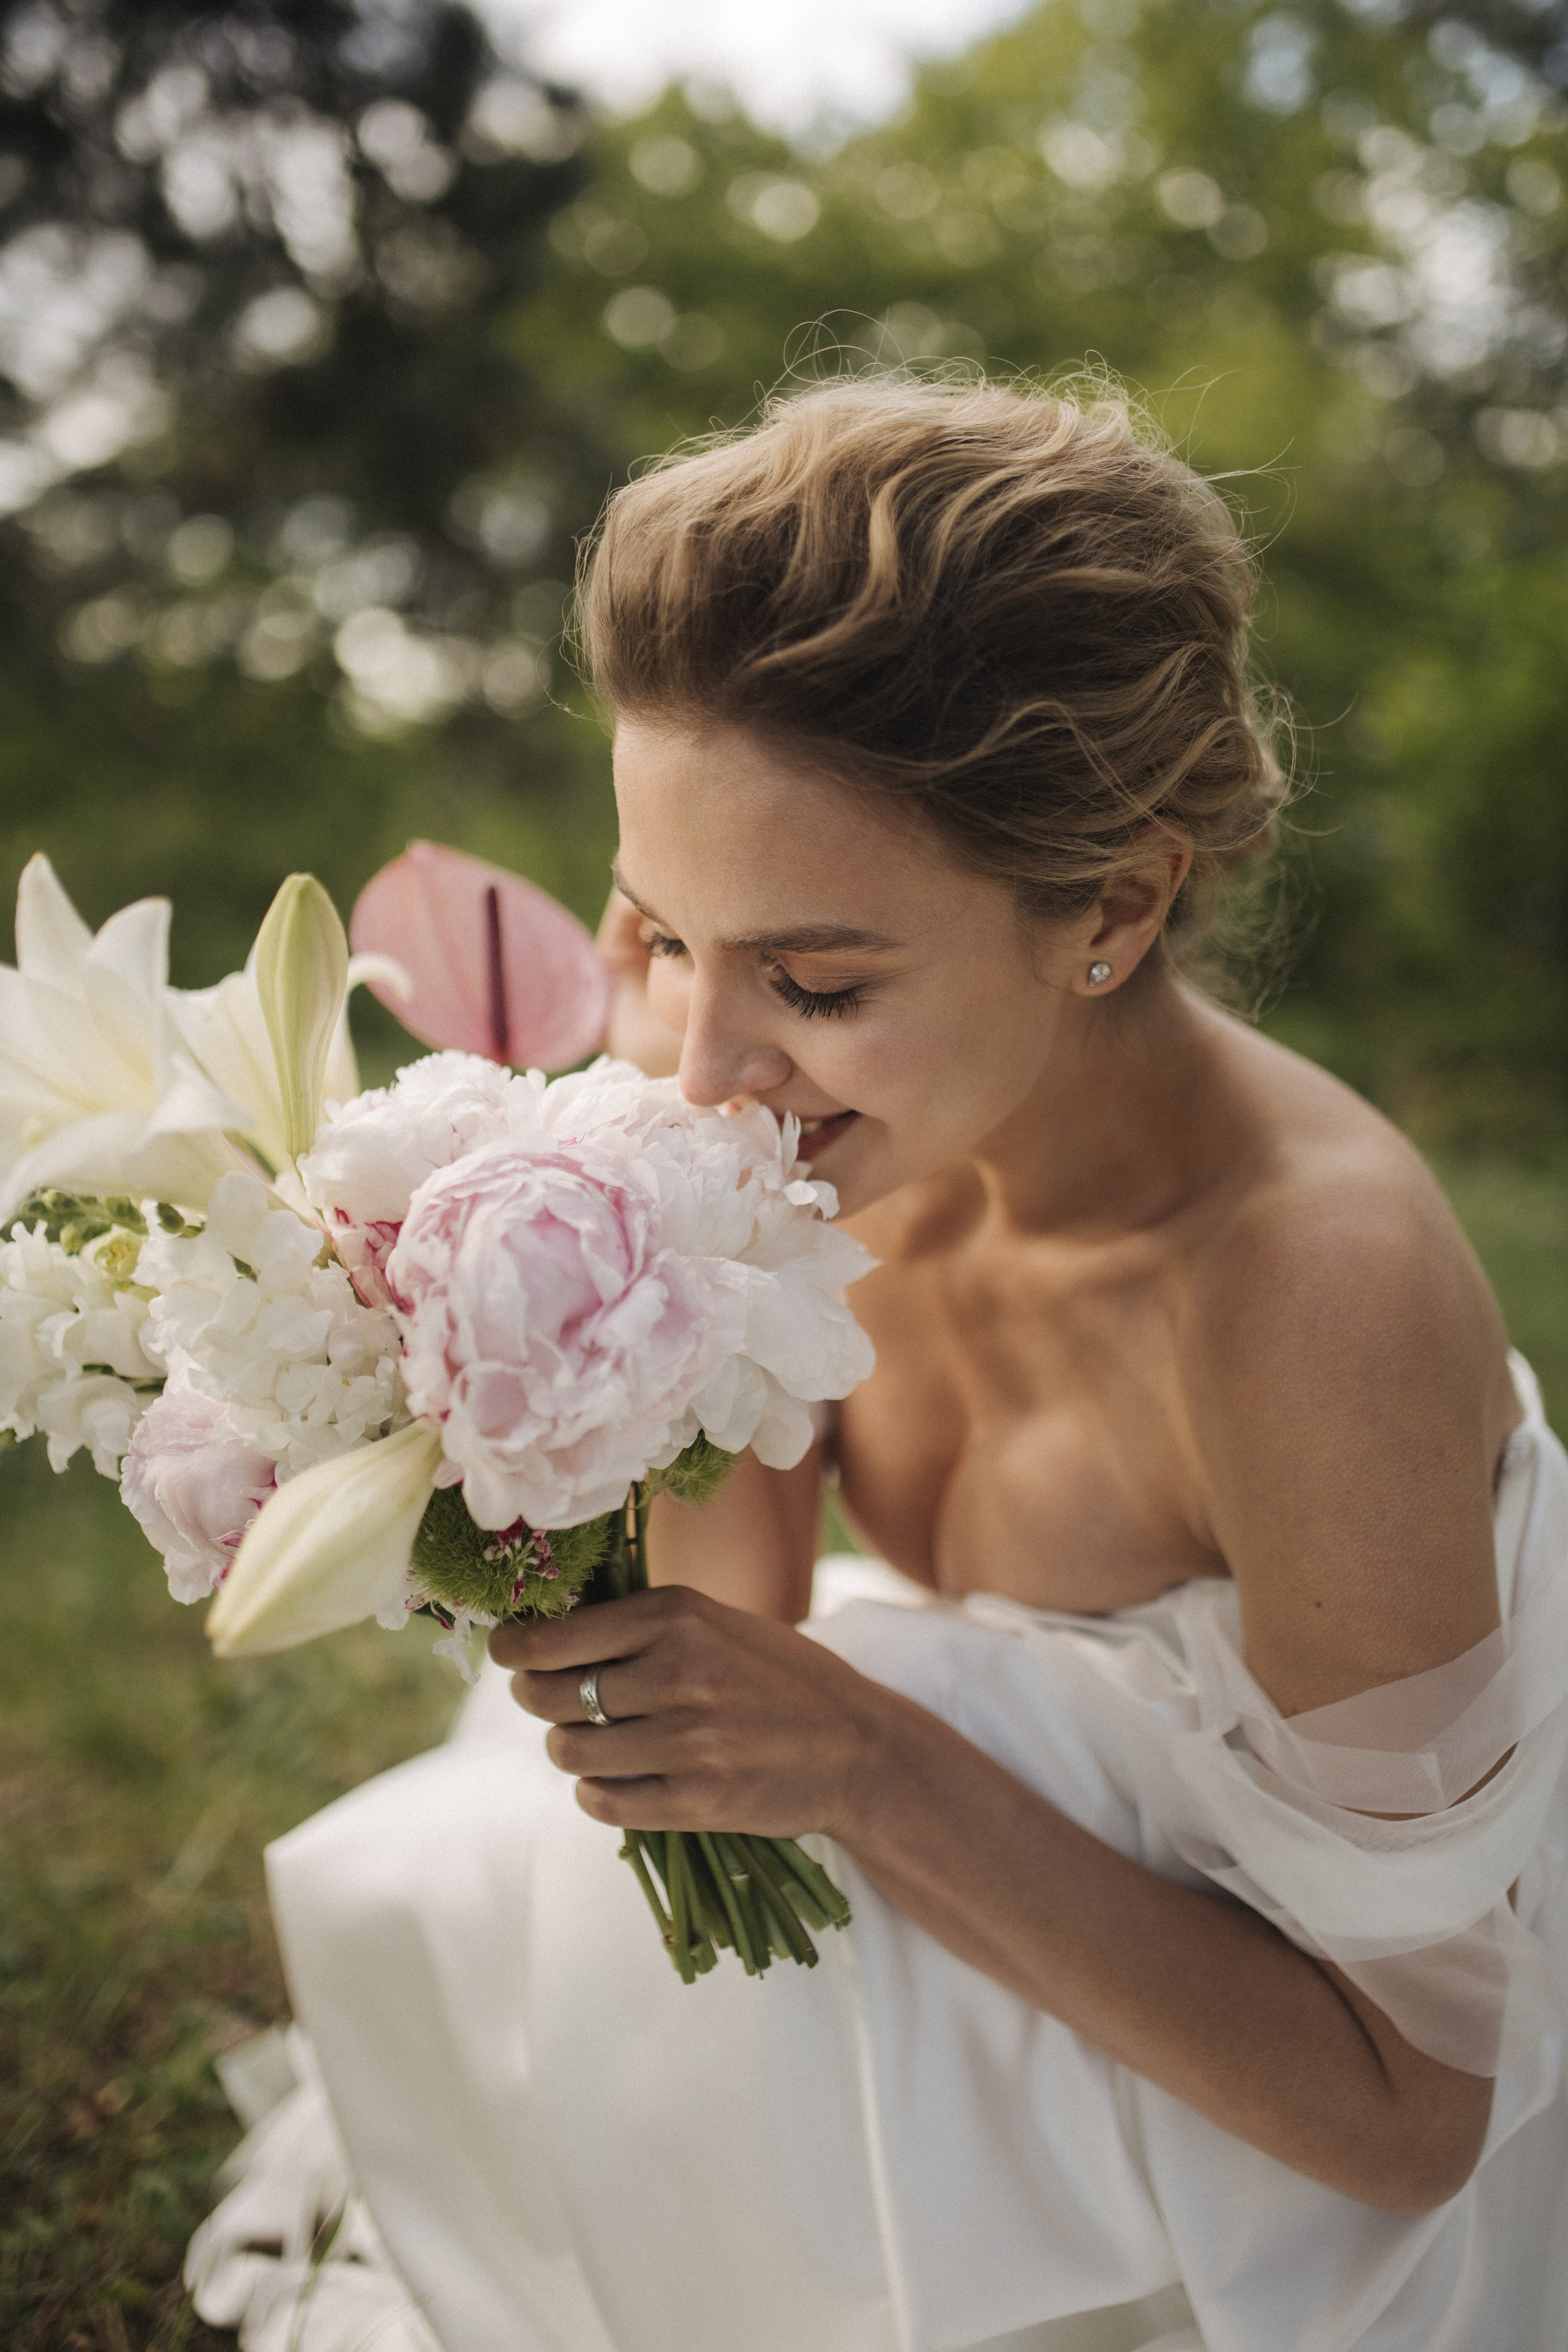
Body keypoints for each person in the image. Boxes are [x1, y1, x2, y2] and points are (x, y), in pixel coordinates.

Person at [186, 378, 1568, 2352]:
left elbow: (1410, 2113)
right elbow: (732, 1610)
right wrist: (595, 1301)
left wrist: (863, 1758)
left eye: (818, 980)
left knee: (882, 1711)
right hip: (1030, 1926)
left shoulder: (1306, 1300)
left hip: (1299, 2107)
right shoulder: (813, 1126)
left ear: (1112, 908)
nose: (698, 1070)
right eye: (663, 934)